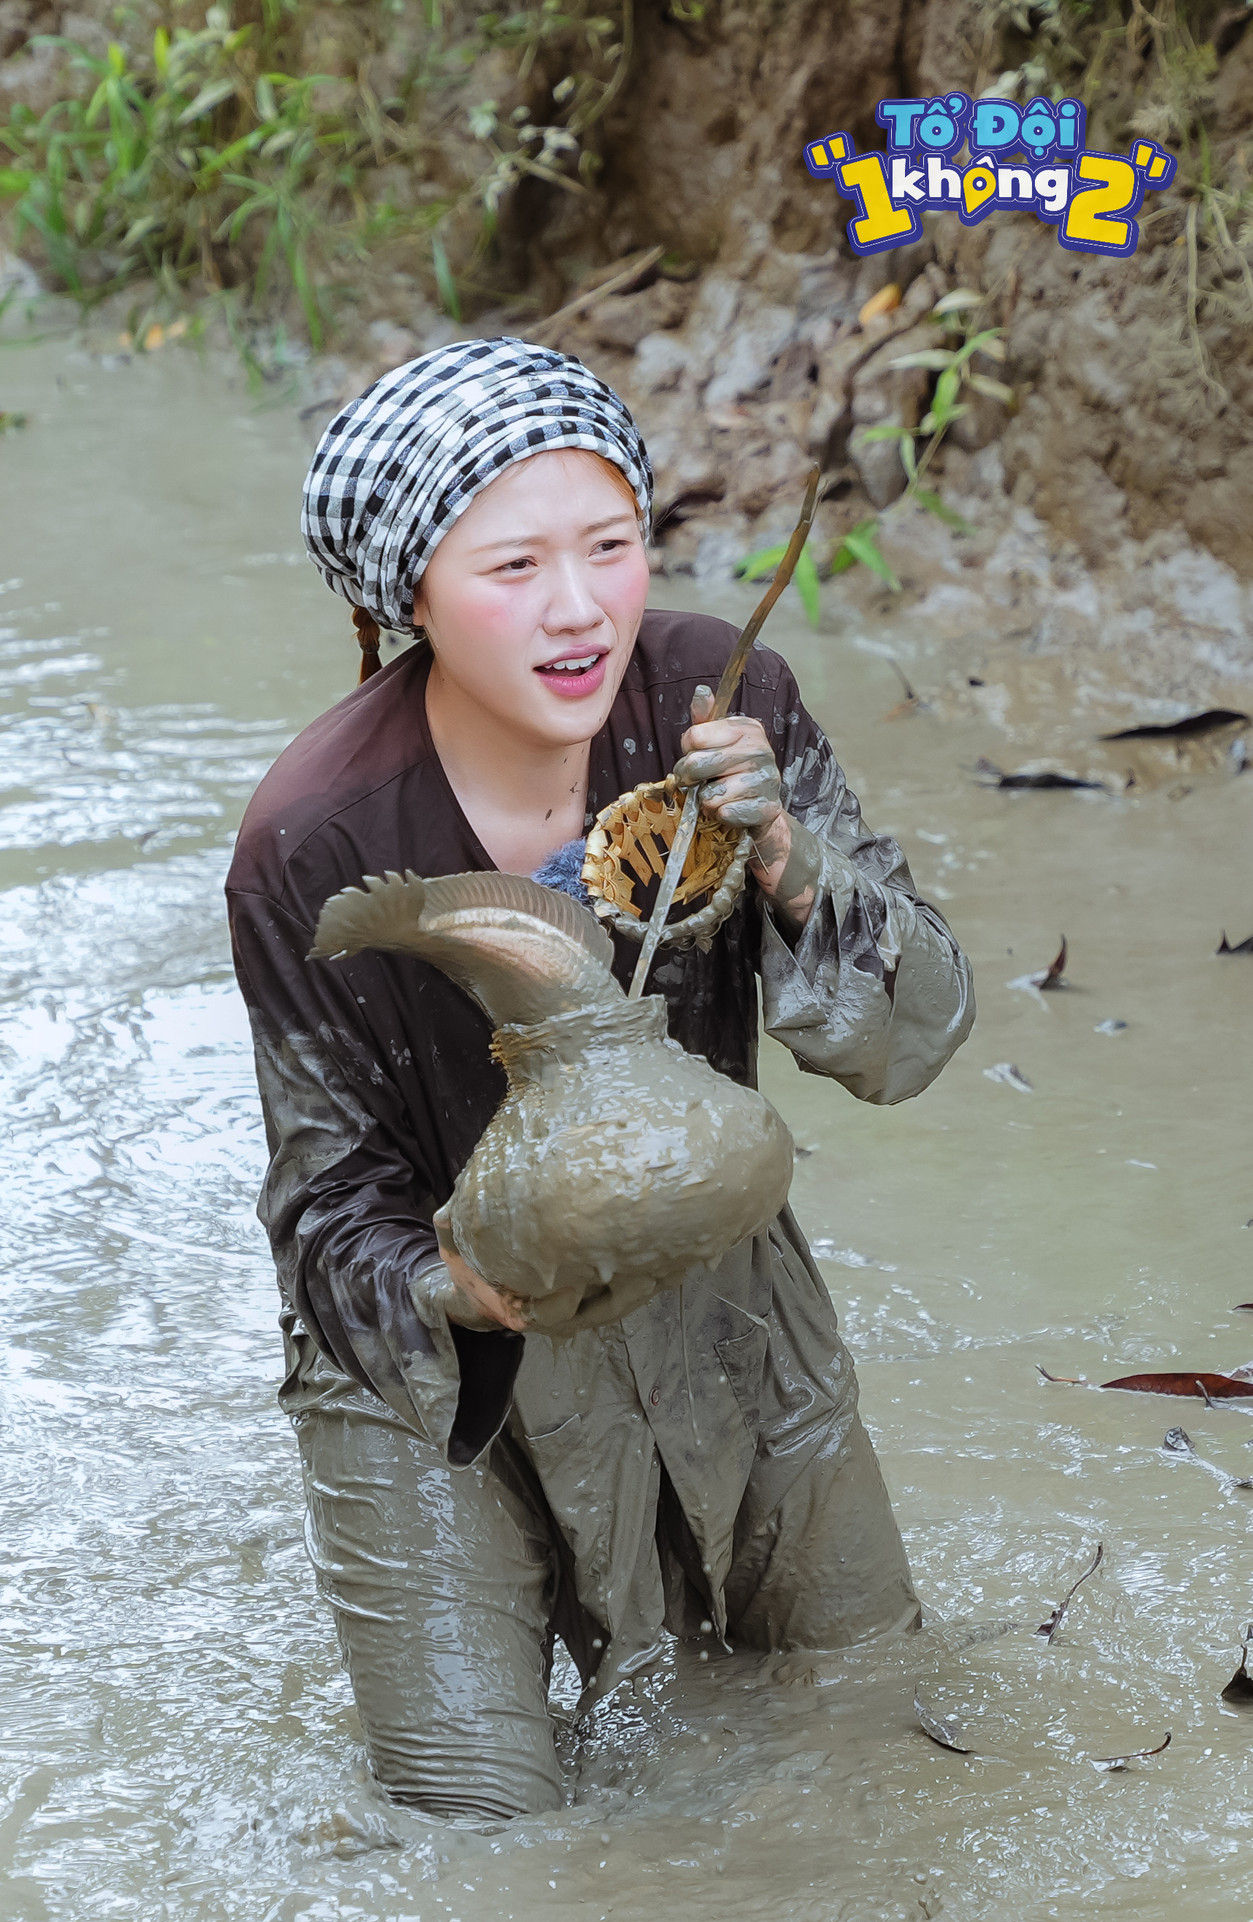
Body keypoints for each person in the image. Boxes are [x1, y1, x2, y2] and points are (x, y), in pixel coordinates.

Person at [226, 337, 975, 1823]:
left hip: (720, 1290)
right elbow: (323, 1215)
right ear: (404, 594)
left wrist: (785, 858)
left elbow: (913, 1037)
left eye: (612, 545)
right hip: (437, 1369)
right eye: (512, 566)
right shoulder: (309, 844)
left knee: (872, 1736)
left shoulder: (715, 706)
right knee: (476, 1837)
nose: (579, 608)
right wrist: (473, 1287)